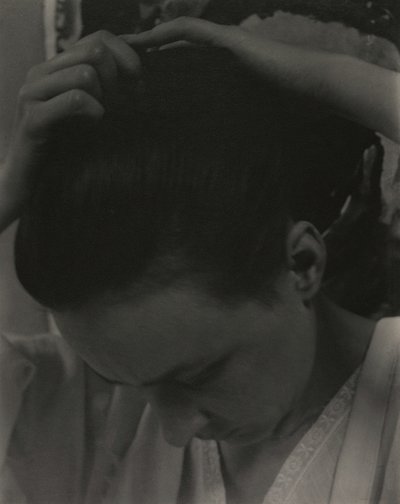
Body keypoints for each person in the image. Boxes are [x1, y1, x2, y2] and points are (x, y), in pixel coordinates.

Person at [0, 25, 399, 504]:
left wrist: (323, 77)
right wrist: (8, 184)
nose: (174, 431)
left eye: (200, 376)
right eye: (127, 384)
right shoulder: (83, 417)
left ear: (301, 263)